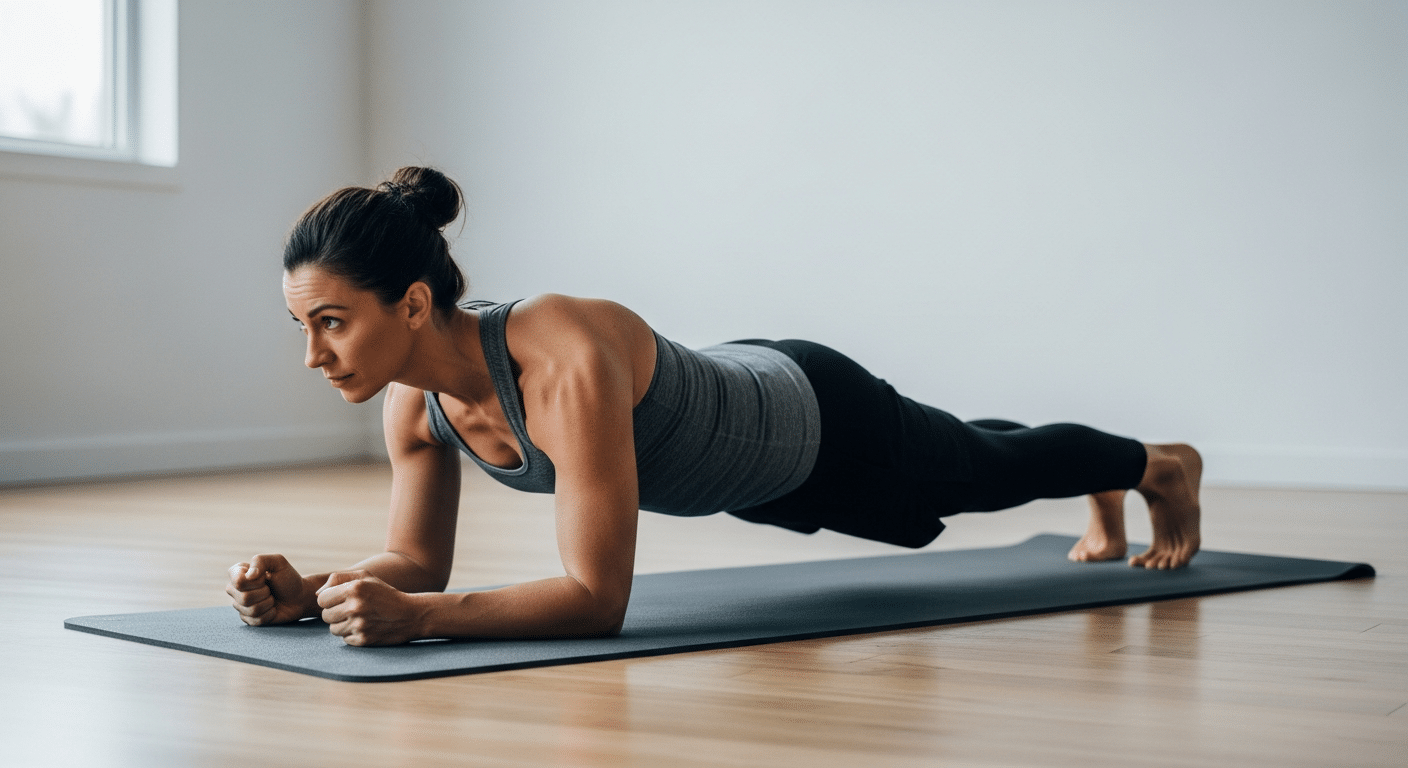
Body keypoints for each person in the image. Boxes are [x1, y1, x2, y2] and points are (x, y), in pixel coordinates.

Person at [227, 167, 1202, 647]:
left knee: (985, 474)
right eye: (301, 327)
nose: (312, 355)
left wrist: (421, 621)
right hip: (752, 465)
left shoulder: (558, 350)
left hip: (814, 418)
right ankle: (1106, 481)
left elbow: (595, 600)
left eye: (330, 323)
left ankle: (1154, 467)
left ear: (409, 304)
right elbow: (415, 561)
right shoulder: (415, 408)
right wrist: (316, 591)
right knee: (979, 461)